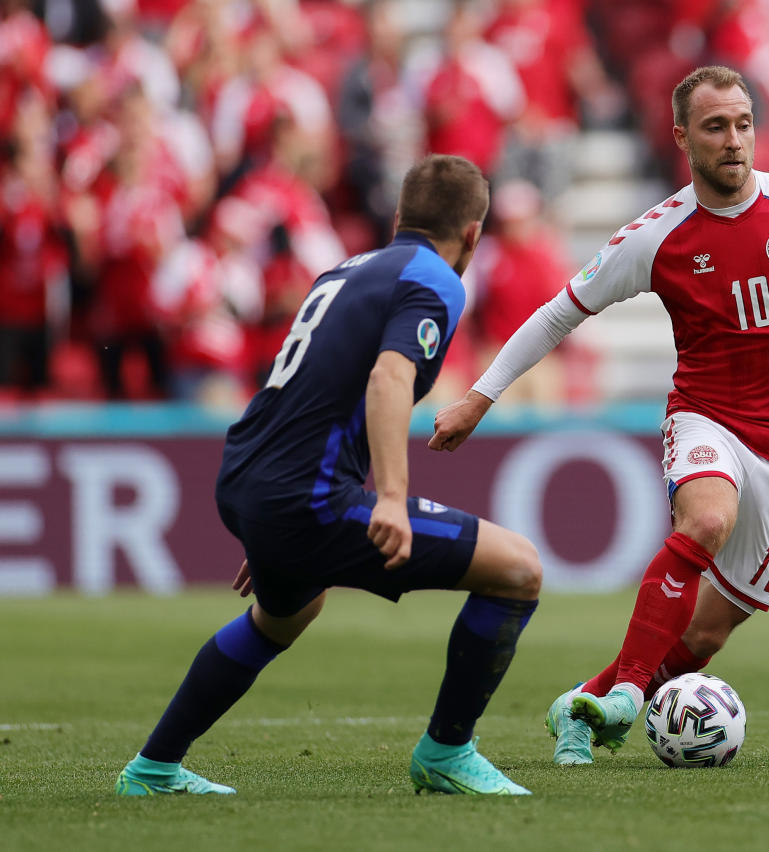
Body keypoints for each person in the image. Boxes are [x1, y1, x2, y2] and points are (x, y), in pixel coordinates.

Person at [430, 66, 769, 766]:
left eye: (744, 123)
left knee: (708, 636)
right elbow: (559, 313)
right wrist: (480, 396)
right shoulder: (655, 237)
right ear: (681, 137)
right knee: (705, 521)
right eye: (716, 126)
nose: (734, 140)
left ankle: (583, 704)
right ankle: (630, 695)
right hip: (708, 418)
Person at [115, 155, 542, 796]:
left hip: (248, 473)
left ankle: (153, 768)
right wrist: (391, 499)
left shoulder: (345, 269)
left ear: (399, 217)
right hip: (301, 495)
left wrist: (272, 521)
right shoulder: (435, 282)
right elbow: (389, 378)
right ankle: (448, 752)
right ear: (474, 236)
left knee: (286, 614)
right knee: (519, 569)